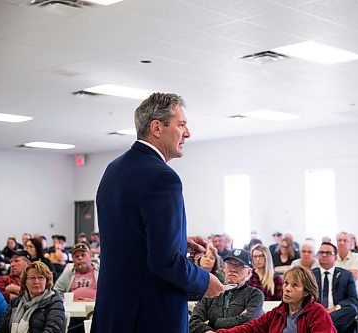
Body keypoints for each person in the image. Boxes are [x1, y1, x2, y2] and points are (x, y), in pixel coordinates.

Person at [92, 92, 224, 333]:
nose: (188, 133)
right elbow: (164, 262)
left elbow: (128, 239)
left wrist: (177, 241)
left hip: (114, 313)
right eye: (181, 124)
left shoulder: (113, 169)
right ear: (156, 127)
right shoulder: (163, 177)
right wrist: (206, 281)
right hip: (149, 316)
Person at [216, 265, 336, 333]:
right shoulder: (278, 312)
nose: (287, 289)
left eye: (295, 285)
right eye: (286, 283)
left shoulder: (317, 312)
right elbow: (251, 328)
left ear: (306, 292)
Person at [190, 249, 264, 333]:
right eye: (230, 264)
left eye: (240, 265)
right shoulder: (210, 292)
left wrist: (213, 322)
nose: (233, 269)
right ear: (224, 268)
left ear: (249, 272)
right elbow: (193, 322)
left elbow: (248, 321)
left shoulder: (255, 294)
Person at [0, 261, 65, 332]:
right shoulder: (15, 302)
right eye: (32, 278)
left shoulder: (54, 302)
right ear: (25, 282)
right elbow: (0, 329)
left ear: (47, 281)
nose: (36, 281)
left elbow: (53, 330)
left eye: (41, 277)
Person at [312, 242, 358, 333]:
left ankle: (321, 327)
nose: (324, 255)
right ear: (317, 256)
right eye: (321, 252)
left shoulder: (346, 275)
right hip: (315, 312)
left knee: (352, 309)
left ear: (336, 257)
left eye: (328, 253)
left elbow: (352, 299)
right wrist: (320, 311)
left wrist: (335, 308)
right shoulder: (310, 275)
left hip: (336, 312)